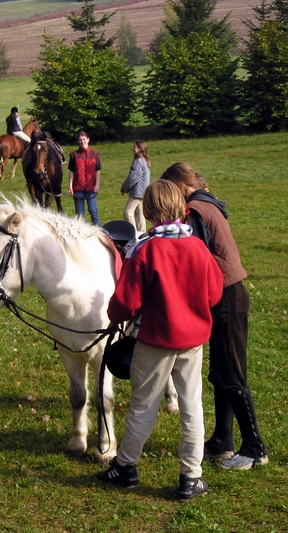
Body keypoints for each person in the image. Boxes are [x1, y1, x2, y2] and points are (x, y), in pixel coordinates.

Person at [97, 180, 223, 500]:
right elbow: (214, 292)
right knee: (191, 404)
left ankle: (125, 467)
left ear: (149, 211)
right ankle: (191, 477)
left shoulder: (145, 248)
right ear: (182, 207)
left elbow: (126, 303)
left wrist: (113, 316)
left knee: (143, 405)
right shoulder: (198, 247)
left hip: (155, 339)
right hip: (192, 340)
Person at [160, 162, 269, 470]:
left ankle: (254, 446)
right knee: (220, 374)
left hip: (226, 298)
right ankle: (222, 440)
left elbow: (195, 260)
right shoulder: (209, 202)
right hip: (228, 296)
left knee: (232, 375)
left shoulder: (195, 211)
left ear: (180, 187)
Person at [68, 131, 101, 226]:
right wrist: (70, 187)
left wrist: (97, 185)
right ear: (78, 141)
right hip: (78, 188)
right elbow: (72, 172)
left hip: (91, 189)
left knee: (93, 211)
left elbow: (97, 170)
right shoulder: (74, 155)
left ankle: (98, 232)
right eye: (80, 140)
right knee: (80, 215)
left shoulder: (95, 154)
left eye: (84, 139)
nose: (82, 142)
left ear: (88, 140)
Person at [121, 140, 151, 232]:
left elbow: (133, 178)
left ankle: (132, 233)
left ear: (140, 149)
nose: (133, 149)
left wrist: (124, 188)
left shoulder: (138, 161)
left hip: (137, 192)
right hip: (144, 191)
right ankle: (141, 234)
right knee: (140, 213)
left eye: (134, 147)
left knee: (127, 212)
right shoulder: (144, 160)